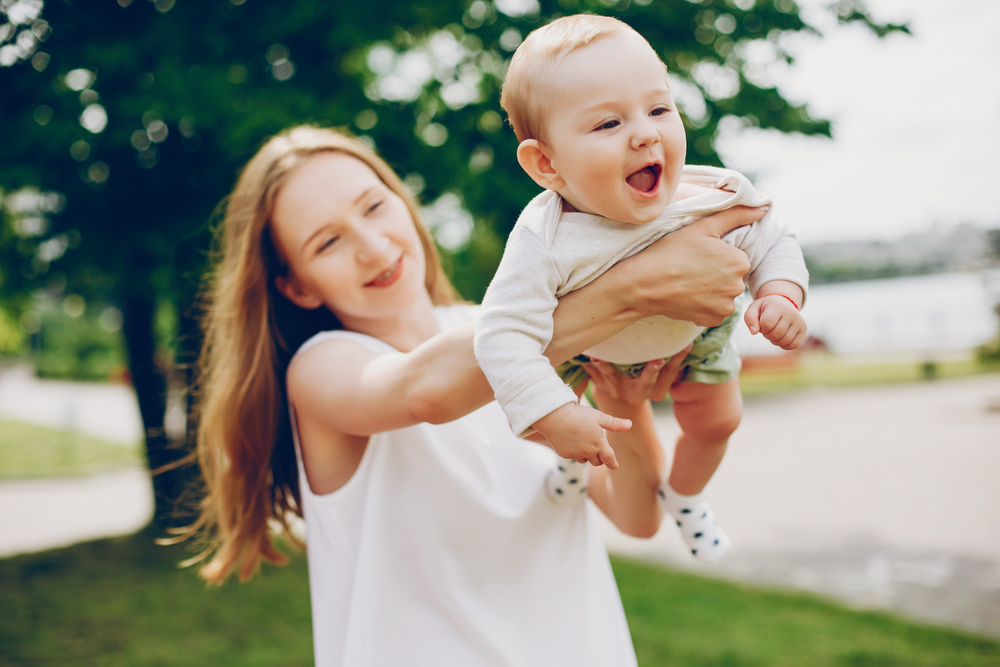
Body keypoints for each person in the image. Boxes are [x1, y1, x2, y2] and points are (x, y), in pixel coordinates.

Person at [189, 124, 766, 666]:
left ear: (403, 204)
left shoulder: (492, 325)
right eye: (328, 242)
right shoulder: (320, 370)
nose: (371, 245)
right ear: (296, 286)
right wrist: (638, 285)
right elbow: (425, 393)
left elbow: (636, 514)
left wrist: (622, 393)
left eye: (373, 206)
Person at [473, 15, 809, 563]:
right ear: (546, 163)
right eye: (608, 124)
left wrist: (779, 293)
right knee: (537, 418)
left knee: (719, 420)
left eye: (658, 109)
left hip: (692, 339)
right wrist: (556, 413)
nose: (646, 132)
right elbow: (501, 333)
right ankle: (568, 461)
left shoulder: (709, 193)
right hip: (588, 354)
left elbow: (771, 236)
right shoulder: (545, 236)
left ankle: (687, 496)